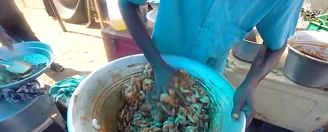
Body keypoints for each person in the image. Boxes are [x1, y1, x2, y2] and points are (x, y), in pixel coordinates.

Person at [119, 0, 304, 125]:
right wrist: (158, 64)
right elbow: (128, 3)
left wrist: (251, 83)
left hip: (210, 76)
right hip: (157, 61)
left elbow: (276, 44)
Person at [0, 0, 64, 72]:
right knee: (15, 46)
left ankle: (50, 63)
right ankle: (28, 69)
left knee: (31, 38)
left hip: (14, 14)